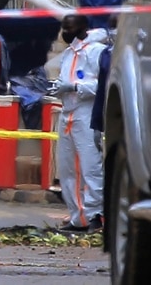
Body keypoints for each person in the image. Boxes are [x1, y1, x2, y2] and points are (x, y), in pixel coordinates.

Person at [51, 13, 107, 232]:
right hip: (67, 112)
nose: (66, 33)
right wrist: (59, 88)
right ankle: (78, 217)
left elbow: (102, 85)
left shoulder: (96, 52)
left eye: (70, 28)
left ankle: (96, 215)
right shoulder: (68, 53)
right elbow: (65, 80)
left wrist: (74, 87)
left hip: (86, 113)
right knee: (67, 170)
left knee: (90, 167)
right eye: (64, 28)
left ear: (84, 27)